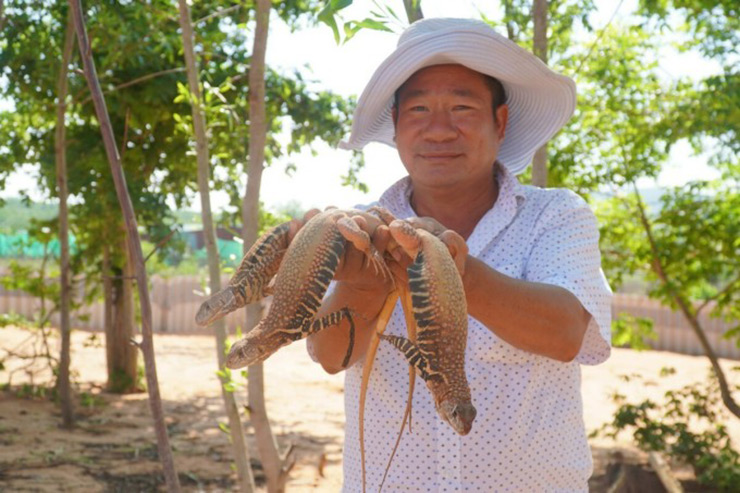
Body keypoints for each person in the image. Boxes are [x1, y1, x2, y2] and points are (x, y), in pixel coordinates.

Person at [306, 17, 612, 492]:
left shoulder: (555, 216)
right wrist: (363, 275)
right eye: (420, 110)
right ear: (397, 124)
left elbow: (567, 333)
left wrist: (452, 270)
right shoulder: (362, 227)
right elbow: (329, 355)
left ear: (500, 121)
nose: (440, 130)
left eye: (463, 108)